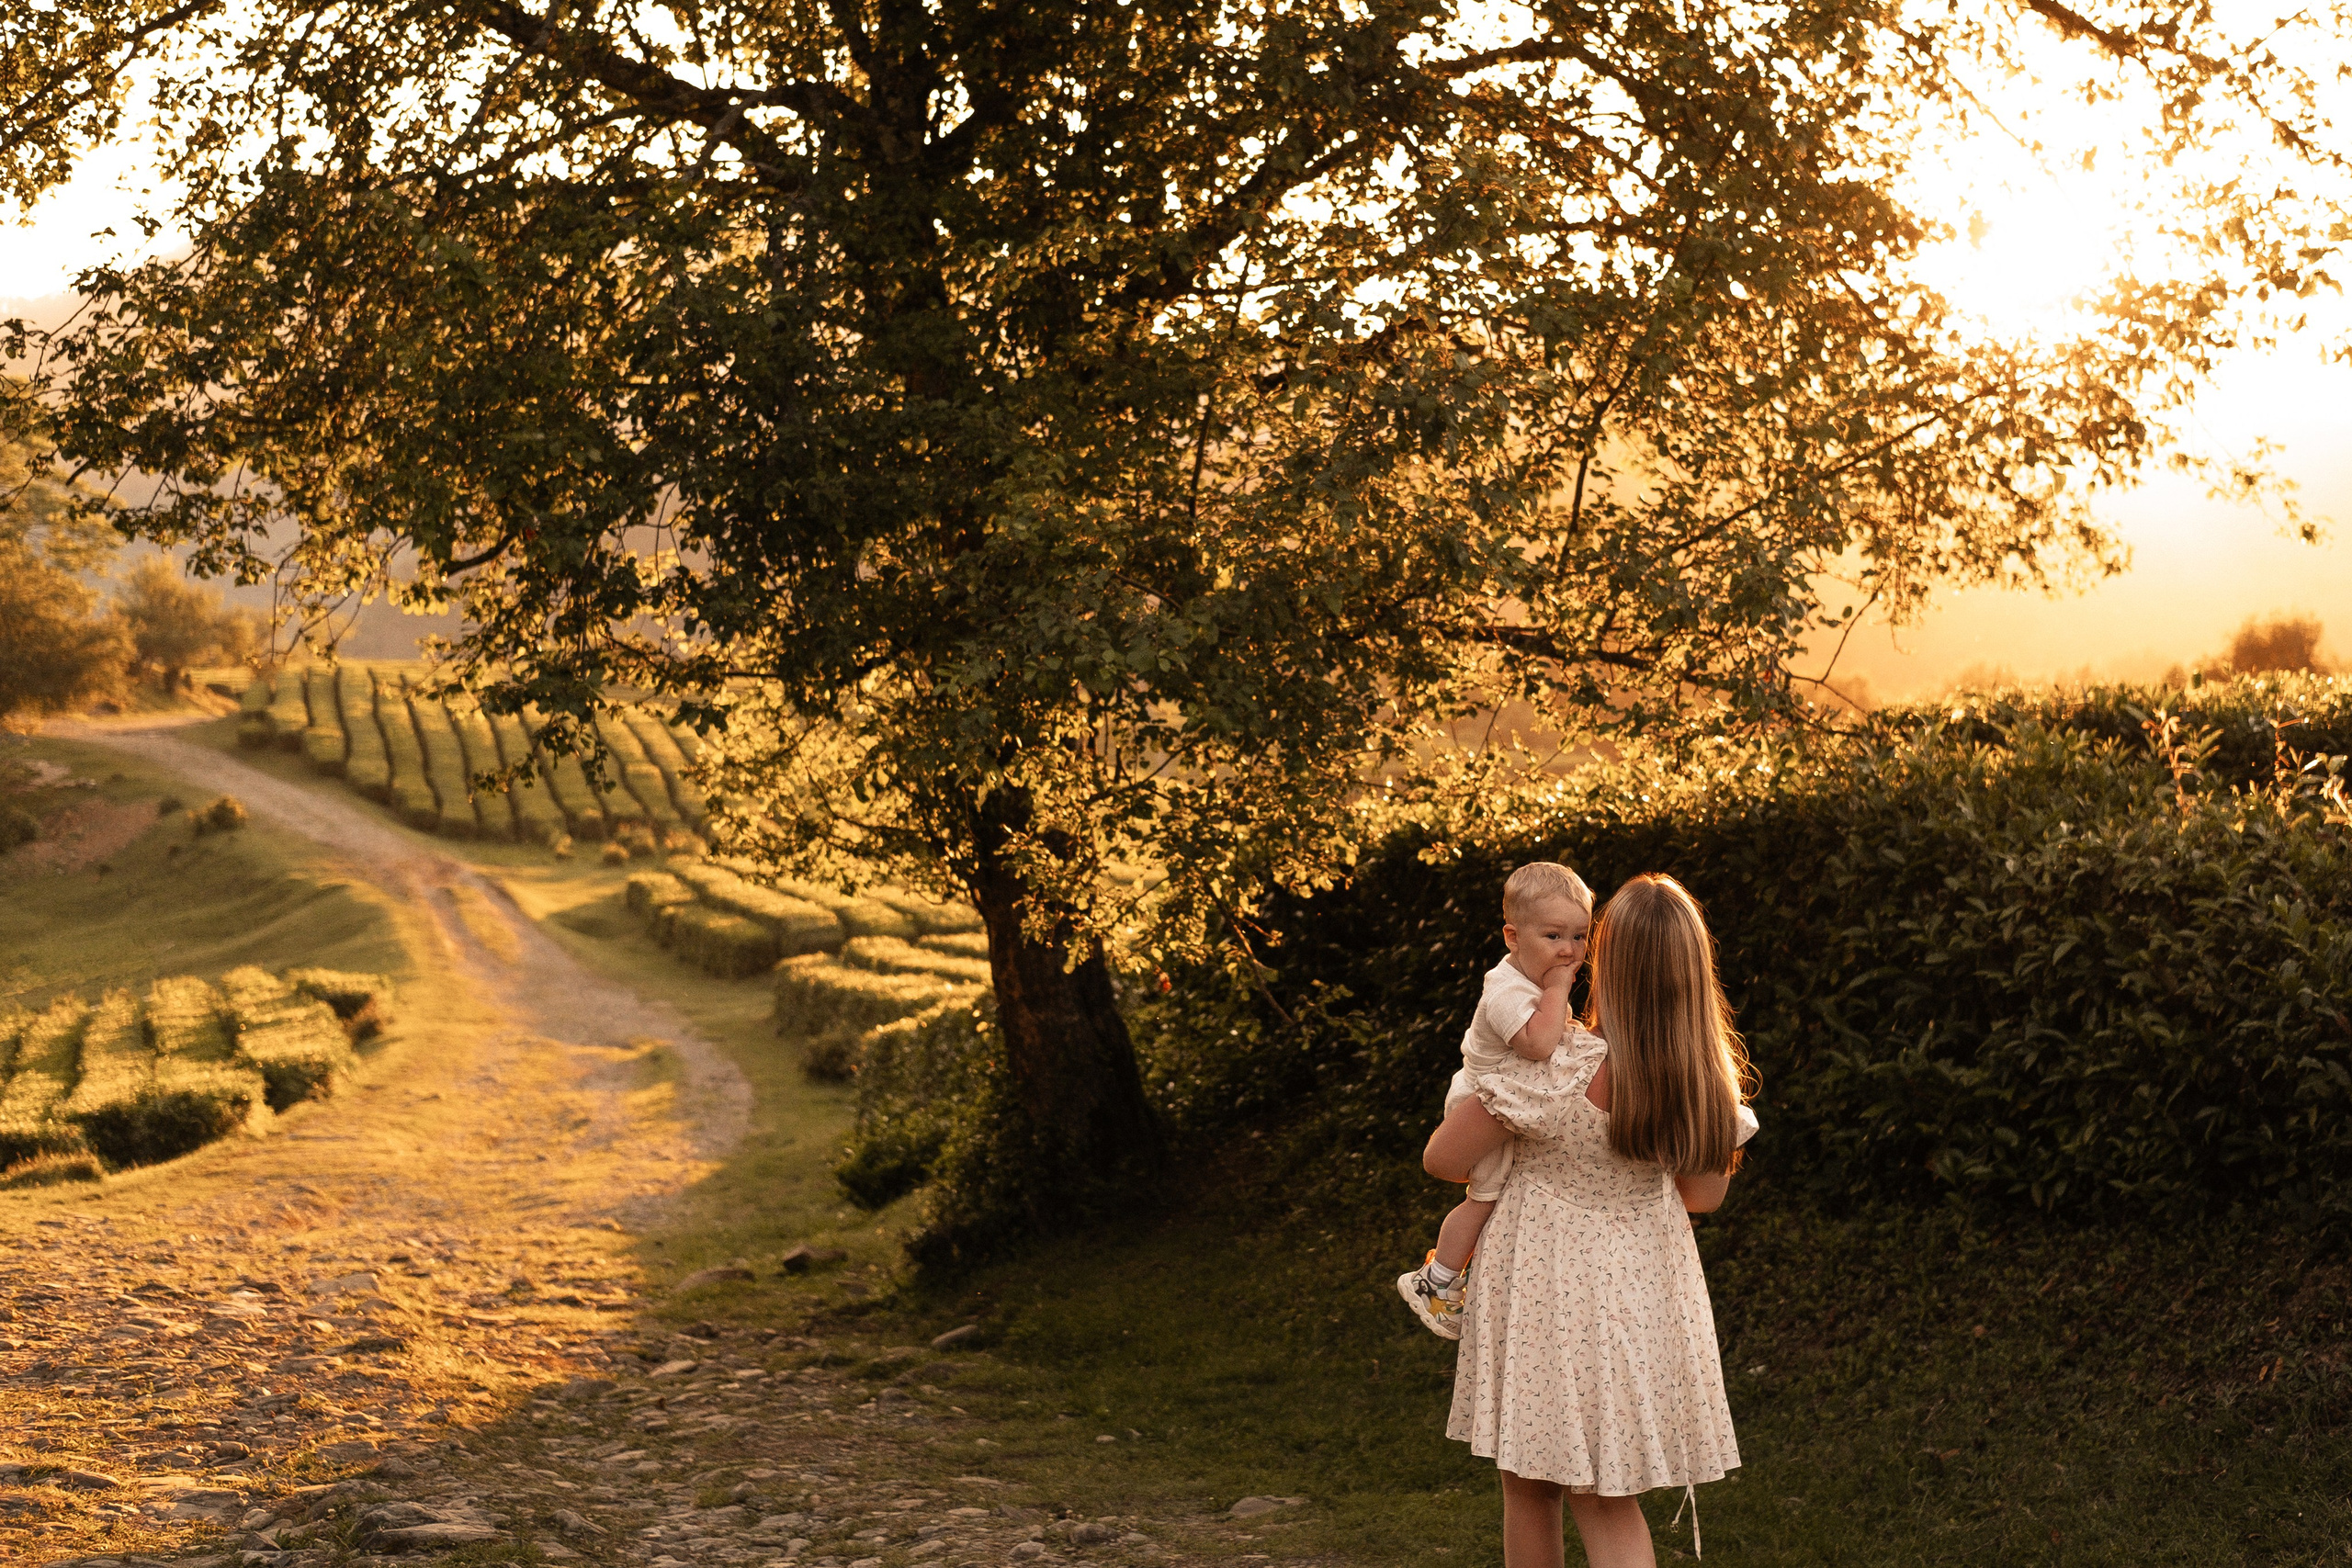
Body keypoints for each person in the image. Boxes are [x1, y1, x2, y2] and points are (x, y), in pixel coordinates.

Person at [1422, 874, 1757, 1568]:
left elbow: (1442, 1157)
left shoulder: (1555, 1066)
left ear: (1605, 960)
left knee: (1533, 1487)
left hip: (1545, 1290)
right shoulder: (1702, 1083)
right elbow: (1703, 1196)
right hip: (1642, 1298)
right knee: (1609, 1495)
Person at [1395, 861, 1597, 1339]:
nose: (1569, 950)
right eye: (1553, 936)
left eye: (1580, 936)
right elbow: (1538, 1045)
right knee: (1484, 1199)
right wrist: (1559, 989)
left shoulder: (1533, 981)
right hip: (1482, 1102)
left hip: (1509, 1101)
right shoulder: (1505, 989)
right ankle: (1435, 1280)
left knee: (1503, 1197)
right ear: (1512, 936)